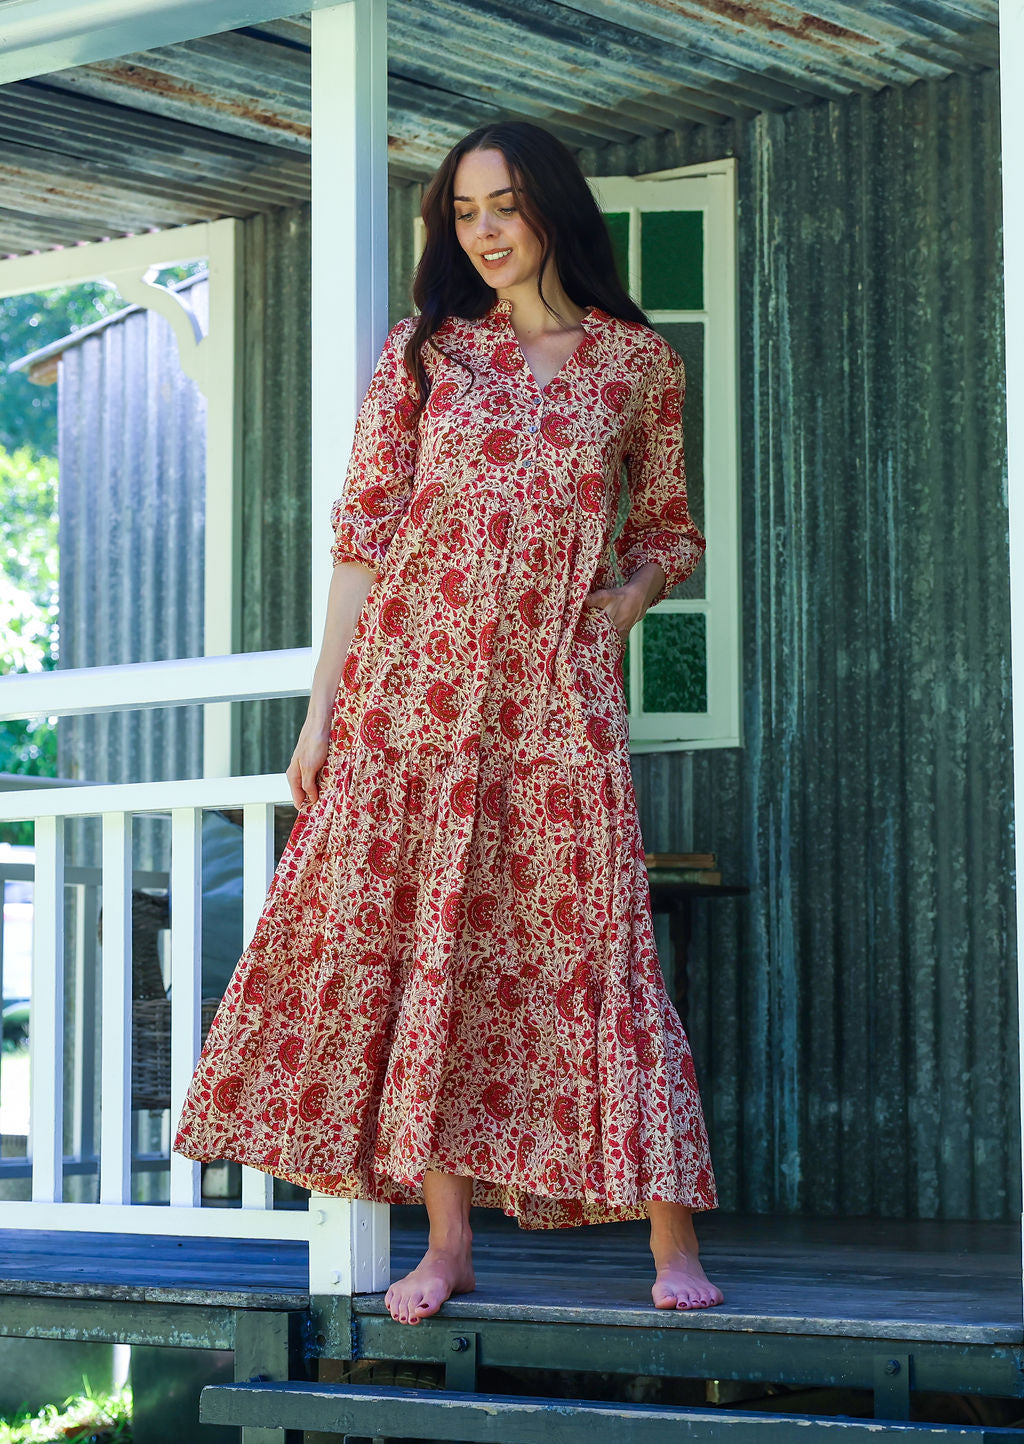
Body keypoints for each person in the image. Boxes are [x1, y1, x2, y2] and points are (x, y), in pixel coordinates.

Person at [172, 119, 724, 1325]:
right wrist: (322, 714)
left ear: (552, 209)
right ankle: (448, 1241)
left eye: (504, 205)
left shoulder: (637, 364)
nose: (483, 232)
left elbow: (669, 528)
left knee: (595, 940)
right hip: (411, 697)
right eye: (463, 212)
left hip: (557, 699)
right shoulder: (424, 354)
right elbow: (364, 539)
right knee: (433, 951)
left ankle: (668, 1233)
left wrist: (626, 600)